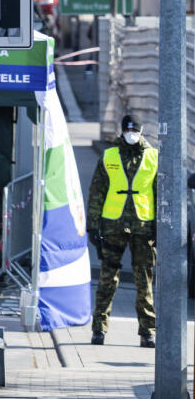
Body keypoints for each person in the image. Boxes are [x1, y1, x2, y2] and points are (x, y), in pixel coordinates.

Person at [87, 114, 158, 348]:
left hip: (144, 226)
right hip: (113, 224)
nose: (131, 134)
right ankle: (99, 329)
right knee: (107, 278)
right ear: (122, 131)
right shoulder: (109, 155)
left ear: (141, 131)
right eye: (127, 130)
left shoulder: (153, 156)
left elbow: (160, 195)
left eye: (134, 130)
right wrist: (92, 226)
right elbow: (97, 192)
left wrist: (159, 228)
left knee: (144, 280)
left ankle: (147, 331)